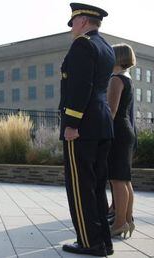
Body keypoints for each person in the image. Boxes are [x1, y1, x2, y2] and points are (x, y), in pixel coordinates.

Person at [59, 3, 115, 256]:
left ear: (81, 21)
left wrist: (71, 123)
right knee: (96, 186)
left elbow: (80, 87)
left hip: (82, 127)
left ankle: (89, 242)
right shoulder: (106, 48)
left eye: (73, 23)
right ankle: (104, 240)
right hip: (102, 125)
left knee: (81, 187)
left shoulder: (83, 44)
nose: (72, 29)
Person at [107, 43, 137, 238]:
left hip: (118, 132)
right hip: (126, 131)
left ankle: (119, 224)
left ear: (116, 57)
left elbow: (111, 111)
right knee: (124, 180)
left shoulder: (116, 79)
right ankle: (126, 220)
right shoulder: (127, 78)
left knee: (117, 180)